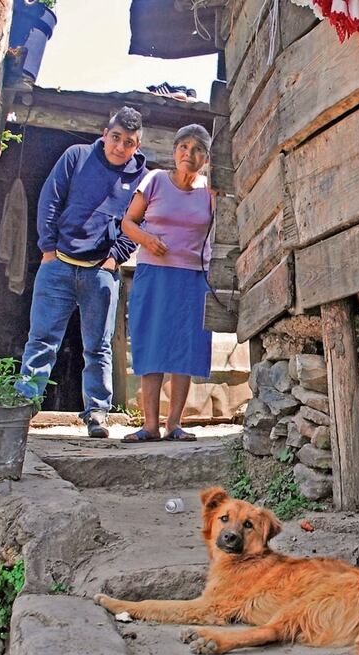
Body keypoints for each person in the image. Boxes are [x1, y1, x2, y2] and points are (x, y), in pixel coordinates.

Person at [15, 107, 148, 438]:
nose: (119, 147)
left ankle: (97, 414)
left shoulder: (140, 180)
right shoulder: (76, 157)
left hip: (99, 272)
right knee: (42, 340)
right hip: (57, 264)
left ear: (137, 144)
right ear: (105, 134)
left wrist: (116, 257)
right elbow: (50, 201)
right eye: (115, 138)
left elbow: (139, 223)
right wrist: (47, 249)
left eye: (128, 142)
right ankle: (21, 410)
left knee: (98, 347)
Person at [119, 124, 214, 442]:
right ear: (174, 151)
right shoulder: (155, 180)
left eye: (198, 149)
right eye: (184, 147)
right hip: (154, 275)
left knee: (185, 348)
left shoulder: (210, 192)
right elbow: (127, 222)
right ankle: (149, 425)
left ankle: (174, 423)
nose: (190, 154)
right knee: (153, 345)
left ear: (206, 158)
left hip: (193, 277)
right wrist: (147, 238)